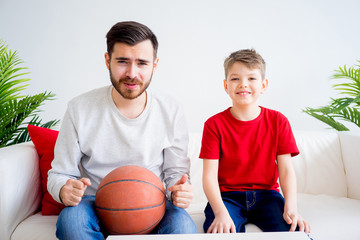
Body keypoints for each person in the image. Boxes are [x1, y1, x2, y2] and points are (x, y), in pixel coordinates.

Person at [47, 21, 197, 240]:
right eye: (123, 62)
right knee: (71, 223)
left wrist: (181, 192)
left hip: (152, 203)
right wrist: (63, 190)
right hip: (94, 202)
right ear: (107, 61)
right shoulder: (79, 108)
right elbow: (60, 174)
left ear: (154, 65)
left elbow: (177, 176)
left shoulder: (171, 109)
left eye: (142, 63)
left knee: (183, 227)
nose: (132, 73)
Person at [199, 49, 311, 235]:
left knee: (295, 232)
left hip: (268, 196)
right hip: (228, 198)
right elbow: (209, 176)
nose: (243, 84)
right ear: (226, 86)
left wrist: (291, 207)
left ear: (264, 85)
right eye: (235, 79)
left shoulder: (278, 121)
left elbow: (285, 170)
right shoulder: (213, 125)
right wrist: (220, 212)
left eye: (251, 78)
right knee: (220, 232)